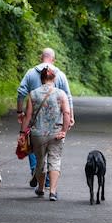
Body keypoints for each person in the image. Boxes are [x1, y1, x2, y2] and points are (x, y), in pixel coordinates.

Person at [17, 48, 75, 188]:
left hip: (35, 123)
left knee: (33, 147)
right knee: (53, 154)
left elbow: (21, 92)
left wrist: (20, 111)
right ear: (53, 59)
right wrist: (71, 116)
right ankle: (48, 183)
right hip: (54, 124)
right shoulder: (59, 75)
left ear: (40, 57)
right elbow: (67, 97)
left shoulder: (31, 73)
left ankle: (36, 172)